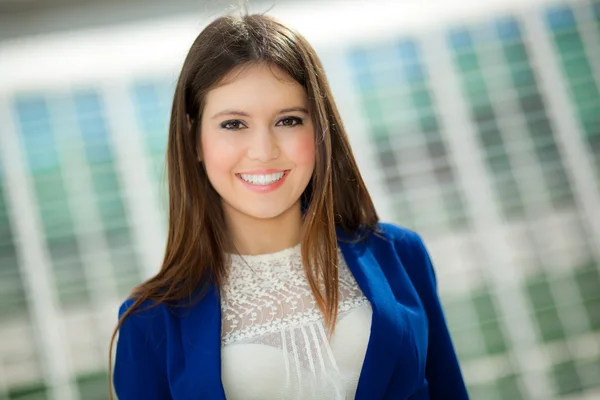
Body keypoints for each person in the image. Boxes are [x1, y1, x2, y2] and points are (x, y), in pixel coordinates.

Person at [109, 13, 469, 400]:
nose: (264, 151)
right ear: (194, 137)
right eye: (233, 124)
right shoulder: (147, 322)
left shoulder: (400, 255)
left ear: (319, 129)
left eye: (289, 120)